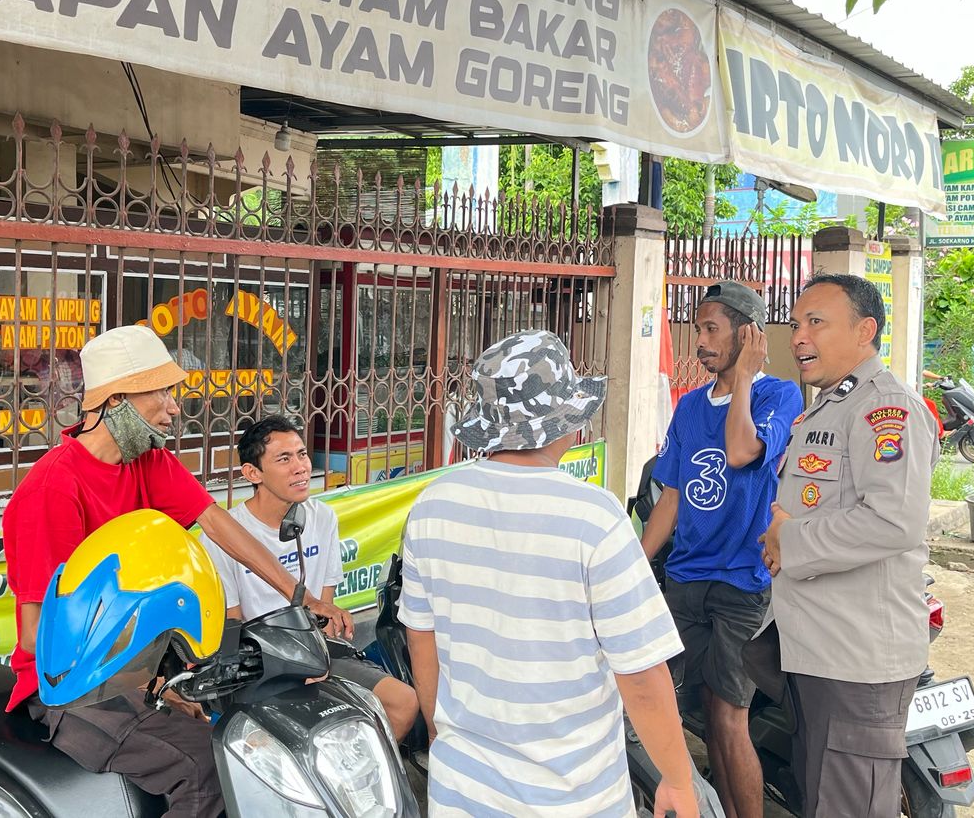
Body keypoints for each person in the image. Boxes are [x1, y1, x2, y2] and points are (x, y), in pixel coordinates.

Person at [1, 324, 353, 818]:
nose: (173, 407)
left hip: (137, 679)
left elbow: (218, 524)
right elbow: (40, 636)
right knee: (207, 770)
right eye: (161, 393)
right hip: (71, 693)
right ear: (117, 400)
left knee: (249, 749)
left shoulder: (147, 462)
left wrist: (304, 597)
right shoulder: (53, 490)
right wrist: (145, 687)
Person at [400, 330, 700, 818]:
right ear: (565, 423)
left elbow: (421, 640)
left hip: (462, 791)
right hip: (575, 798)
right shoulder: (595, 516)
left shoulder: (431, 506)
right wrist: (679, 779)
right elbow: (642, 676)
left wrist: (440, 735)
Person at [757, 273, 936, 818]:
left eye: (816, 323)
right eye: (796, 324)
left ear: (865, 331)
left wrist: (790, 540)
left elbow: (893, 522)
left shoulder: (886, 408)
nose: (799, 337)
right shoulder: (830, 405)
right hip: (820, 649)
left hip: (857, 660)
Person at [641, 280, 803, 818]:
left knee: (731, 717)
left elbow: (739, 450)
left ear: (749, 335)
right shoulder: (689, 406)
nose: (701, 342)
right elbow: (670, 497)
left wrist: (746, 378)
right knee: (699, 713)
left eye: (712, 329)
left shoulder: (779, 395)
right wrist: (638, 566)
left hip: (742, 582)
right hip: (686, 580)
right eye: (698, 330)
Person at [200, 414, 419, 739]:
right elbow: (234, 622)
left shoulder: (321, 517)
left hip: (316, 647)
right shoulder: (223, 536)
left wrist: (317, 657)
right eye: (284, 459)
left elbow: (324, 608)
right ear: (252, 473)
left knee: (404, 702)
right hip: (261, 663)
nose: (301, 467)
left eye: (302, 454)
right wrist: (291, 666)